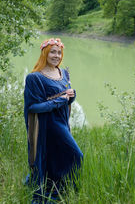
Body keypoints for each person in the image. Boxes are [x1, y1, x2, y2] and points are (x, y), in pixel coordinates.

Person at [23, 38, 83, 203]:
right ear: (44, 53)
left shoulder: (63, 73)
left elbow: (66, 99)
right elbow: (33, 107)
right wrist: (60, 100)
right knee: (76, 155)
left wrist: (71, 97)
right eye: (52, 52)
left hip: (62, 122)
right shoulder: (34, 78)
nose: (56, 55)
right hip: (48, 125)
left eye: (59, 52)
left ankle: (59, 186)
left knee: (58, 157)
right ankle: (56, 192)